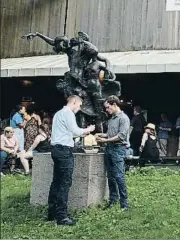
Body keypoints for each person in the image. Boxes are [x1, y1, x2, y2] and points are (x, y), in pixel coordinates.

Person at [48, 95, 95, 226]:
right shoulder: (68, 113)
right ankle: (62, 217)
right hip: (64, 151)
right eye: (79, 106)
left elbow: (70, 133)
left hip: (56, 149)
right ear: (74, 102)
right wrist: (89, 129)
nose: (79, 109)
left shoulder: (58, 114)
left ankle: (51, 212)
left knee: (56, 181)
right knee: (65, 183)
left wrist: (81, 133)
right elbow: (76, 131)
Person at [96, 95, 130, 210]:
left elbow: (121, 136)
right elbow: (110, 134)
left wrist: (104, 140)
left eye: (107, 107)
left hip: (118, 149)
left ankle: (124, 204)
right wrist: (101, 135)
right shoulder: (111, 119)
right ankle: (113, 200)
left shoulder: (124, 118)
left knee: (119, 176)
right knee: (110, 176)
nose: (106, 110)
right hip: (109, 149)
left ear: (114, 105)